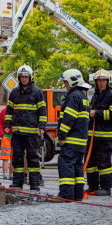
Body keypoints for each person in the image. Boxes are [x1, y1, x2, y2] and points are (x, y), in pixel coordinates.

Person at [4, 64, 47, 192]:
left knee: (33, 159)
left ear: (30, 77)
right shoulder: (14, 93)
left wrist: (42, 127)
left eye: (26, 77)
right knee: (17, 158)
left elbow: (43, 111)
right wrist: (7, 125)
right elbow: (9, 111)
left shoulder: (37, 92)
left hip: (32, 133)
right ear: (19, 77)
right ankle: (17, 183)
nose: (24, 79)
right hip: (17, 133)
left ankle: (34, 184)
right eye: (22, 77)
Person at [52, 69, 91, 202]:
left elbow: (68, 118)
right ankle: (77, 194)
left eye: (66, 82)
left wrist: (61, 136)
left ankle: (66, 195)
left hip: (71, 140)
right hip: (81, 141)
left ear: (72, 81)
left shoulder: (73, 96)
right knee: (77, 167)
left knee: (66, 164)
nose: (65, 85)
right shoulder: (83, 96)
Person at [85, 69, 112, 196]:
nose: (102, 83)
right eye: (100, 80)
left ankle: (106, 188)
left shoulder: (111, 95)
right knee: (90, 162)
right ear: (96, 82)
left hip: (105, 136)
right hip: (93, 135)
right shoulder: (95, 95)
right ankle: (93, 186)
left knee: (104, 163)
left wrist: (96, 113)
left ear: (108, 81)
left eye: (104, 80)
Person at [0, 108, 13, 180]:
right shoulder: (17, 109)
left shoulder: (4, 111)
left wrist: (2, 135)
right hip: (14, 136)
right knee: (11, 158)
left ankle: (6, 175)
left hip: (7, 136)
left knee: (6, 158)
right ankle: (10, 175)